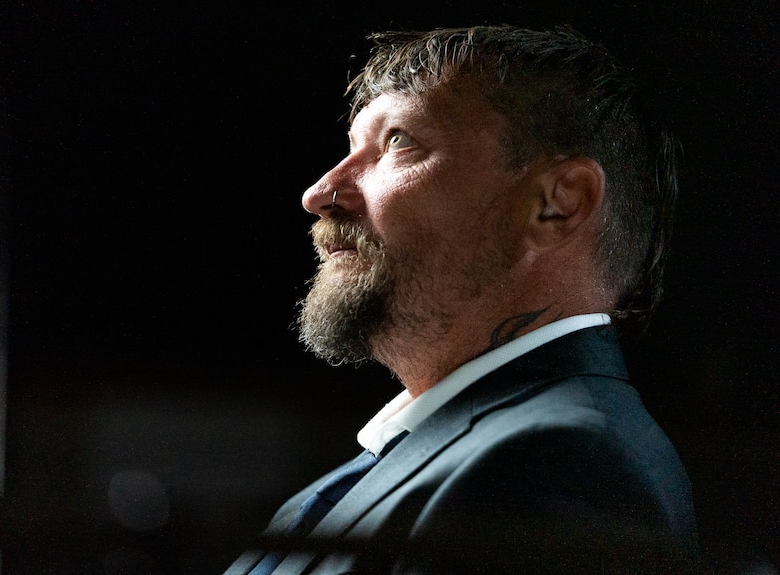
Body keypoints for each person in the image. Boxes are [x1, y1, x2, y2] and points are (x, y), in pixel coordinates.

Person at [224, 24, 698, 575]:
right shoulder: (404, 461)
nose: (321, 193)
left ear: (559, 205)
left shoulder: (561, 467)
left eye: (397, 141)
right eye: (350, 149)